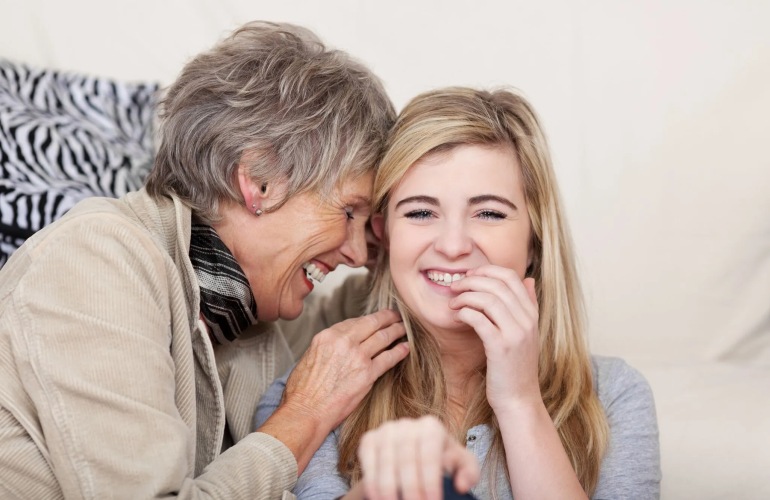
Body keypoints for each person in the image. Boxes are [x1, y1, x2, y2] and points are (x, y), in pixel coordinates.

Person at [0, 21, 411, 498]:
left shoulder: (244, 308)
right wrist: (305, 414)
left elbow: (349, 326)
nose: (359, 253)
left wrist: (415, 241)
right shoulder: (98, 259)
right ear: (260, 181)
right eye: (348, 212)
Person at [257, 87, 661, 499]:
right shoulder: (313, 394)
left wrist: (520, 401)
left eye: (488, 213)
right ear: (385, 236)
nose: (453, 246)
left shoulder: (615, 396)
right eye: (420, 212)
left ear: (535, 240)